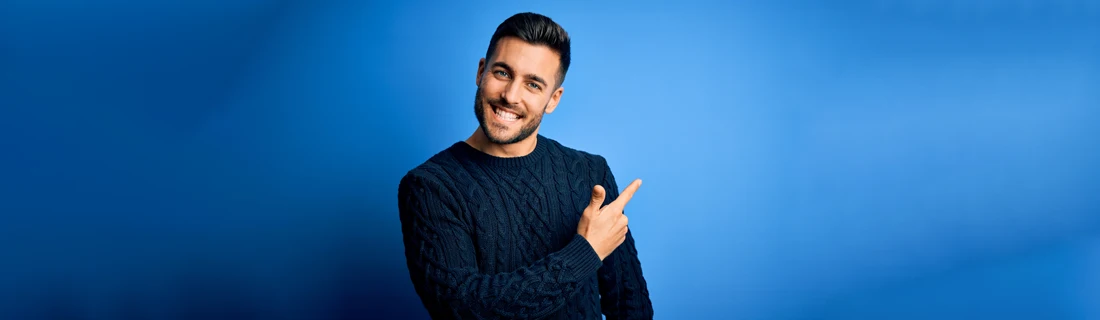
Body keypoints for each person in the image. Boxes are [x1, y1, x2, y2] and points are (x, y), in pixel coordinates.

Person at [396, 12, 654, 319]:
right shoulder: (430, 186)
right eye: (503, 73)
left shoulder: (590, 174)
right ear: (481, 72)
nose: (510, 96)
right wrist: (585, 253)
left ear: (553, 99)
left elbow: (632, 307)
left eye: (532, 84)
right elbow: (462, 307)